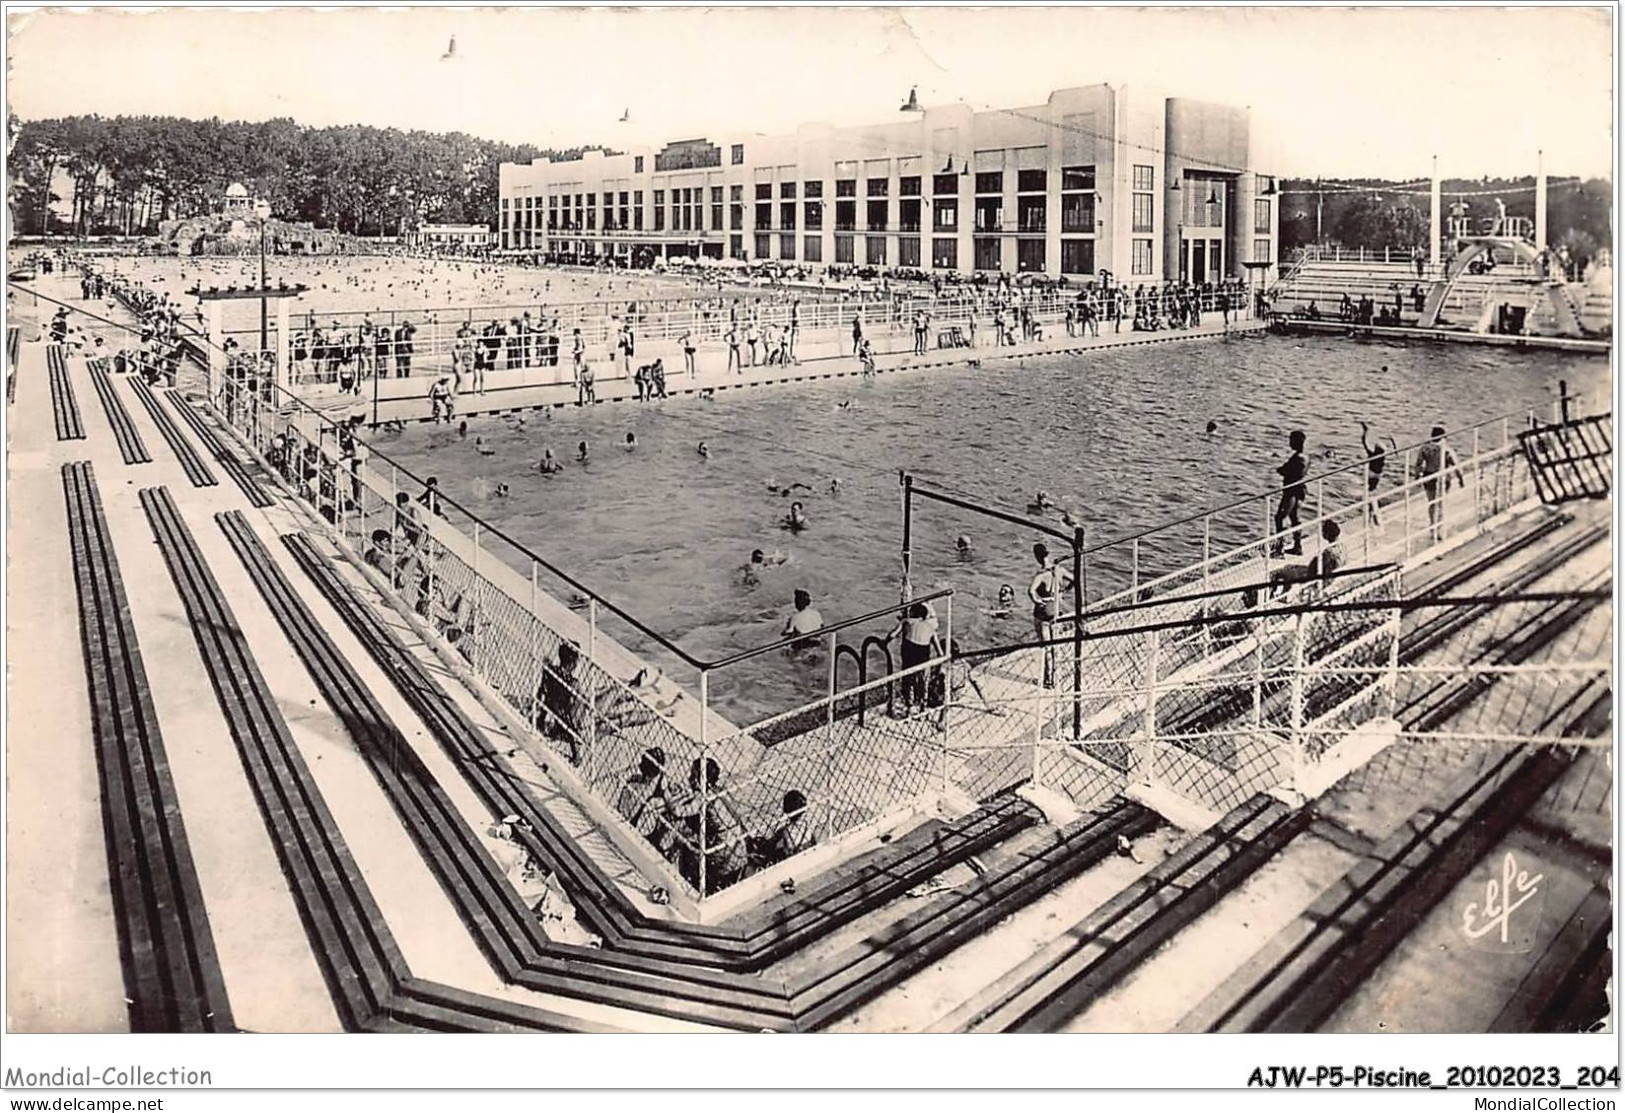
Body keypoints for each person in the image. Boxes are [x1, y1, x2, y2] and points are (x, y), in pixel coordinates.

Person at [669, 757, 749, 894]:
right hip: (740, 849)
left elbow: (679, 811)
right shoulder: (720, 791)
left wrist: (669, 797)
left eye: (692, 775)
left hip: (723, 857)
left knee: (683, 843)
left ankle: (687, 886)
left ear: (698, 779)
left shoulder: (702, 797)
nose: (689, 778)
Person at [1028, 543, 1074, 689]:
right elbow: (1074, 579)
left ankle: (1049, 680)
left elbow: (1031, 591)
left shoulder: (1041, 575)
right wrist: (1064, 591)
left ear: (1036, 557)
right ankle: (1055, 675)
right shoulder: (1059, 570)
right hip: (1056, 611)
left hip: (1043, 613)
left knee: (1047, 648)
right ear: (1048, 554)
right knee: (1056, 646)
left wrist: (1038, 600)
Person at [885, 601, 940, 715]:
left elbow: (892, 635)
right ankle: (922, 707)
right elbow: (940, 651)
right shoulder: (930, 628)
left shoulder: (906, 622)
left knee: (907, 677)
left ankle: (909, 704)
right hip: (923, 655)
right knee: (922, 680)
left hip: (909, 653)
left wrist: (883, 643)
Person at [1412, 425, 1463, 542]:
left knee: (1432, 503)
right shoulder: (1446, 450)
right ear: (1443, 437)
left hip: (1428, 476)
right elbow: (1456, 466)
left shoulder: (1424, 448)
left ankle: (1432, 526)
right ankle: (1439, 528)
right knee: (1441, 503)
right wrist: (1461, 479)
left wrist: (1417, 478)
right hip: (1442, 477)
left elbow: (1418, 464)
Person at [749, 789, 818, 869]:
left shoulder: (784, 831)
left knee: (772, 850)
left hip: (793, 862)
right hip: (808, 855)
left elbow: (772, 846)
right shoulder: (809, 825)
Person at [1272, 430, 1308, 557]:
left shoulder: (1297, 459)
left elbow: (1285, 470)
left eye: (1291, 440)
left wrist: (1281, 469)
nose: (1289, 442)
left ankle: (1279, 547)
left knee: (1280, 517)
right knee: (1295, 518)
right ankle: (1297, 546)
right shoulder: (1305, 457)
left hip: (1291, 491)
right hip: (1300, 490)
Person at [1360, 421, 1397, 526]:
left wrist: (1365, 433)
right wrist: (1391, 440)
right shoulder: (1382, 457)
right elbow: (1392, 450)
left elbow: (1364, 443)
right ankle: (1373, 513)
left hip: (1371, 474)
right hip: (1377, 475)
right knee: (1372, 492)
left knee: (1370, 494)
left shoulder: (1372, 454)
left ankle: (1372, 514)